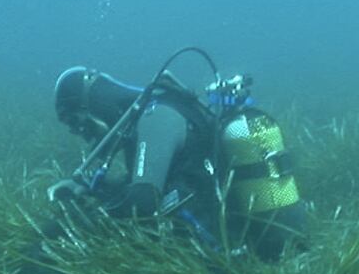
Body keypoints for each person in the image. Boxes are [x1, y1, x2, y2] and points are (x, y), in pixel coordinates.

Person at [44, 48, 305, 261]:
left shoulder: (155, 117)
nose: (82, 134)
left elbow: (143, 204)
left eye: (77, 122)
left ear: (93, 107)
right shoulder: (159, 109)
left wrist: (85, 214)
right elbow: (162, 184)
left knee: (62, 235)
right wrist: (91, 190)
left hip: (219, 254)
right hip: (225, 236)